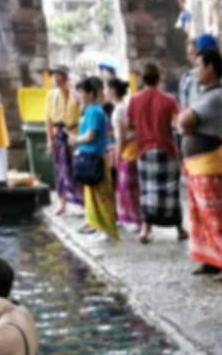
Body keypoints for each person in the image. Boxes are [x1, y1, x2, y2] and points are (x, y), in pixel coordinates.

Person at [178, 47, 222, 282]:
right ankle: (211, 260)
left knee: (215, 216)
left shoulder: (215, 96)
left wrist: (183, 124)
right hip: (197, 164)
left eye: (198, 65)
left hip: (208, 165)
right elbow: (184, 120)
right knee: (199, 216)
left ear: (210, 68)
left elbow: (185, 120)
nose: (195, 70)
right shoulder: (206, 94)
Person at [127, 61, 186, 243]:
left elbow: (129, 125)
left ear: (142, 78)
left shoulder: (134, 100)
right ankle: (179, 229)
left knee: (147, 190)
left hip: (144, 150)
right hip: (166, 149)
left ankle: (145, 229)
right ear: (159, 78)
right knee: (171, 191)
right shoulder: (169, 100)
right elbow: (178, 125)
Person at [70, 77, 118, 240]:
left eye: (82, 92)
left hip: (96, 158)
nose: (79, 95)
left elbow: (90, 136)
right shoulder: (88, 110)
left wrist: (76, 139)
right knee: (93, 196)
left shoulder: (94, 111)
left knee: (102, 195)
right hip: (89, 157)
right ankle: (98, 226)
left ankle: (108, 229)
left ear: (91, 93)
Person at [44, 66, 81, 215]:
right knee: (60, 170)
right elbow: (48, 119)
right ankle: (62, 202)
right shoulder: (51, 95)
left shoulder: (75, 94)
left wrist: (71, 88)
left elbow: (79, 103)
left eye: (60, 76)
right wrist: (49, 139)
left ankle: (81, 203)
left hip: (73, 132)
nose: (57, 80)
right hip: (58, 134)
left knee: (76, 169)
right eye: (55, 77)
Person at [109, 78, 141, 231]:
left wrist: (117, 155)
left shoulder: (118, 111)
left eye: (107, 89)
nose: (106, 92)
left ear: (113, 91)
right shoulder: (126, 106)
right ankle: (132, 218)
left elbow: (121, 136)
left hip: (127, 150)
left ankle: (133, 219)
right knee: (132, 186)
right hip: (135, 148)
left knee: (126, 186)